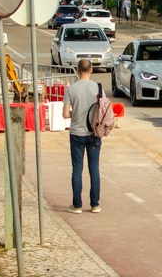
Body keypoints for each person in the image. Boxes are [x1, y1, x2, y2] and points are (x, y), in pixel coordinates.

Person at [63, 59, 103, 214]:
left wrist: (76, 113)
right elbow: (103, 110)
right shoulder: (98, 88)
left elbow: (65, 114)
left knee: (77, 169)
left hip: (76, 134)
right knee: (94, 169)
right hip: (94, 133)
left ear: (77, 70)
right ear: (91, 70)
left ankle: (77, 205)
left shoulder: (71, 89)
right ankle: (95, 204)